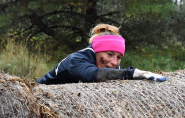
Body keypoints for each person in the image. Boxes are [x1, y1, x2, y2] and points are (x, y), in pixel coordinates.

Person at [36, 23, 166, 84]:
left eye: (119, 57)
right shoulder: (76, 60)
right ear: (96, 52)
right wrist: (132, 73)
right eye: (110, 54)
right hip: (40, 97)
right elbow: (92, 75)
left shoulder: (113, 68)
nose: (115, 62)